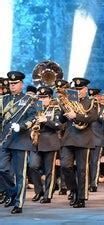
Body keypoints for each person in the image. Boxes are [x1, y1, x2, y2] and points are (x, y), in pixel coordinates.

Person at [0, 71, 36, 214]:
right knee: (2, 169)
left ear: (21, 84)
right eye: (11, 83)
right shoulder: (3, 100)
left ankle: (18, 203)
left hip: (20, 140)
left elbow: (33, 117)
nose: (12, 86)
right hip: (5, 140)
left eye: (15, 83)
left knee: (20, 174)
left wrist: (21, 126)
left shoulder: (28, 100)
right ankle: (13, 192)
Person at [59, 77, 98, 208]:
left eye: (80, 89)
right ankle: (73, 190)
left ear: (85, 89)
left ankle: (81, 197)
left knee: (82, 170)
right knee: (65, 166)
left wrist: (76, 116)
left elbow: (93, 117)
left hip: (84, 139)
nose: (77, 91)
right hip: (69, 138)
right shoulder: (69, 100)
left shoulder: (91, 102)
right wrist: (63, 106)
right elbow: (61, 119)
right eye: (75, 89)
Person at [29, 86, 63, 204]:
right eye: (40, 97)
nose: (42, 99)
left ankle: (48, 195)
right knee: (32, 165)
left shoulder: (56, 109)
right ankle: (39, 191)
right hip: (36, 142)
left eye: (44, 97)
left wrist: (46, 121)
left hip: (50, 142)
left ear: (50, 98)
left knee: (50, 171)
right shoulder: (35, 107)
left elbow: (59, 125)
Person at [87, 88, 104, 192]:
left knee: (94, 162)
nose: (93, 98)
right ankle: (86, 182)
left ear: (99, 97)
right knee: (85, 163)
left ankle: (93, 184)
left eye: (95, 96)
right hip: (85, 139)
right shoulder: (85, 107)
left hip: (97, 139)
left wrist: (96, 111)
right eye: (91, 96)